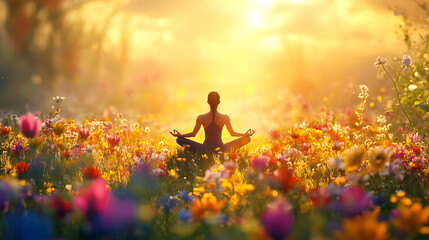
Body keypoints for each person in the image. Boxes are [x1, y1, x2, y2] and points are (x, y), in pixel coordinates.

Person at [170, 91, 255, 153]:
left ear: (207, 102)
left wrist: (180, 135)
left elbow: (193, 134)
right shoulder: (225, 117)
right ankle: (224, 153)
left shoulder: (201, 117)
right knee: (247, 139)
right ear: (219, 102)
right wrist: (245, 134)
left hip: (204, 150)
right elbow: (232, 133)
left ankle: (196, 154)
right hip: (222, 149)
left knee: (179, 140)